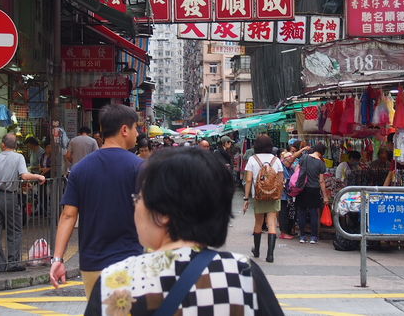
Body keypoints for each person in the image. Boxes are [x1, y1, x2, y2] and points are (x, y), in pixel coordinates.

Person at [84, 147, 283, 315]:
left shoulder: (116, 281)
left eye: (139, 199)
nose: (135, 207)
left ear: (163, 213)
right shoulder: (244, 275)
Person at [50, 104, 143, 298]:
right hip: (131, 260)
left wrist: (58, 259)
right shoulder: (139, 167)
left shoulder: (80, 169)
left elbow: (68, 215)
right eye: (136, 127)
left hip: (92, 261)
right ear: (124, 130)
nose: (138, 133)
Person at [0, 134, 45, 272]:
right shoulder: (18, 157)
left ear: (2, 145)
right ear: (16, 146)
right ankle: (13, 263)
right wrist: (38, 176)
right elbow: (24, 175)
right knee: (14, 229)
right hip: (10, 197)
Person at [243, 135, 283, 262]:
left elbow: (248, 180)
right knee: (272, 223)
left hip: (259, 196)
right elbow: (281, 180)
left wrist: (246, 198)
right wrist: (279, 194)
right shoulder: (276, 159)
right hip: (273, 195)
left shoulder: (252, 159)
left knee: (258, 223)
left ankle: (257, 250)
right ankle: (270, 255)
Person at [295, 142, 329, 244]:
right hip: (314, 190)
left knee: (302, 212)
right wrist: (325, 196)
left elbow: (297, 170)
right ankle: (313, 237)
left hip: (302, 189)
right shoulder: (321, 163)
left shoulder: (304, 157)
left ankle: (302, 236)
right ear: (322, 152)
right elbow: (322, 181)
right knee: (314, 213)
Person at [279, 151, 297, 240]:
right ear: (284, 160)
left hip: (289, 195)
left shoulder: (290, 168)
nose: (291, 163)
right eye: (289, 162)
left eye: (292, 162)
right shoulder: (282, 168)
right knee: (284, 213)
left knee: (289, 213)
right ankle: (284, 232)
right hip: (283, 195)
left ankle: (288, 231)